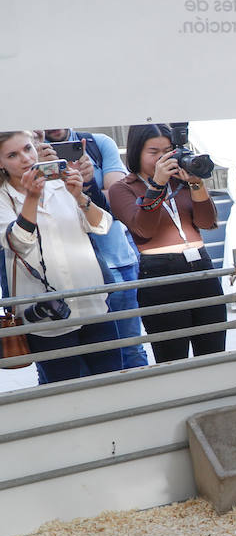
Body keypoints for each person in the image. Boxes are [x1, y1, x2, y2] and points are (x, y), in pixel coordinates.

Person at [0, 130, 123, 383]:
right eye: (12, 154)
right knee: (63, 393)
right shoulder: (3, 199)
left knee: (112, 385)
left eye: (27, 149)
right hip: (45, 315)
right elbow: (19, 243)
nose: (25, 158)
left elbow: (103, 226)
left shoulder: (61, 184)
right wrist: (32, 198)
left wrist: (80, 196)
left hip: (91, 303)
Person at [107, 124, 226, 363]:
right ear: (136, 152)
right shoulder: (122, 188)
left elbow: (207, 222)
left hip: (202, 268)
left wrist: (196, 184)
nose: (163, 158)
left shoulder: (180, 179)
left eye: (168, 150)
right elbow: (144, 228)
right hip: (160, 274)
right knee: (172, 358)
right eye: (154, 152)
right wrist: (157, 184)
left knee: (214, 355)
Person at [38, 126, 147, 370]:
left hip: (115, 262)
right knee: (61, 362)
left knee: (130, 348)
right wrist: (37, 170)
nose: (53, 125)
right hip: (61, 272)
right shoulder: (27, 154)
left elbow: (120, 203)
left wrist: (87, 185)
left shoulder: (97, 144)